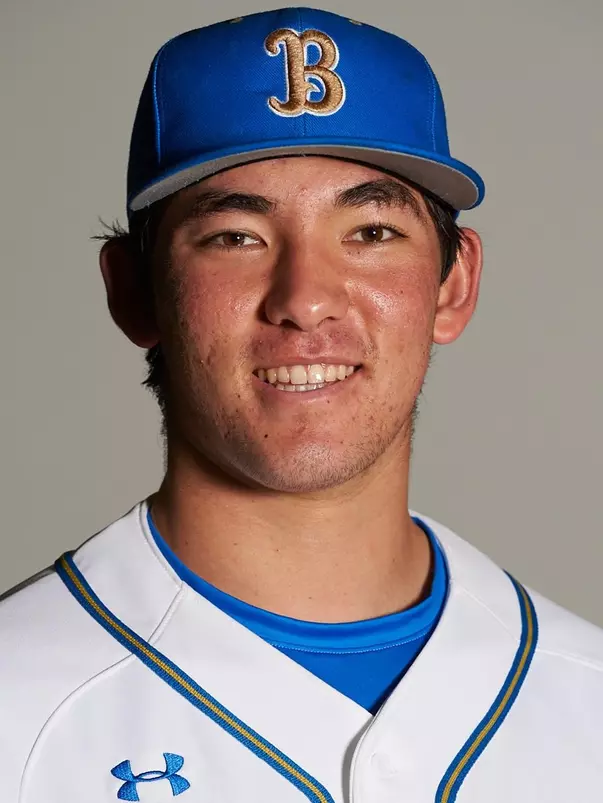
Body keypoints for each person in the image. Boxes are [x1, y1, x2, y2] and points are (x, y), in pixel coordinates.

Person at [1, 7, 601, 802]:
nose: (306, 300)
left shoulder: (585, 696)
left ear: (453, 286)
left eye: (371, 231)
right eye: (234, 237)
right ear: (134, 291)